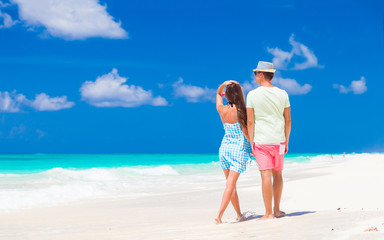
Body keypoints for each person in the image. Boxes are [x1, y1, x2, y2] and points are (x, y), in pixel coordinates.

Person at [246, 61, 291, 220]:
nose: (254, 76)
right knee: (278, 174)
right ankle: (277, 210)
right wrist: (286, 141)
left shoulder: (252, 95)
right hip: (279, 140)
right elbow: (288, 120)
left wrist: (251, 143)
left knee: (265, 175)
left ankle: (268, 213)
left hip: (261, 141)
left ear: (262, 74)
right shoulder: (283, 93)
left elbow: (250, 122)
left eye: (256, 73)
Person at [215, 80, 252, 224]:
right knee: (230, 185)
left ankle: (239, 215)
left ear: (227, 96)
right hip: (238, 149)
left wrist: (223, 84)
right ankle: (219, 216)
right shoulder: (241, 111)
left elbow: (218, 93)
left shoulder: (222, 110)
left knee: (230, 185)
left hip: (224, 148)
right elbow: (245, 133)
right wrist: (254, 147)